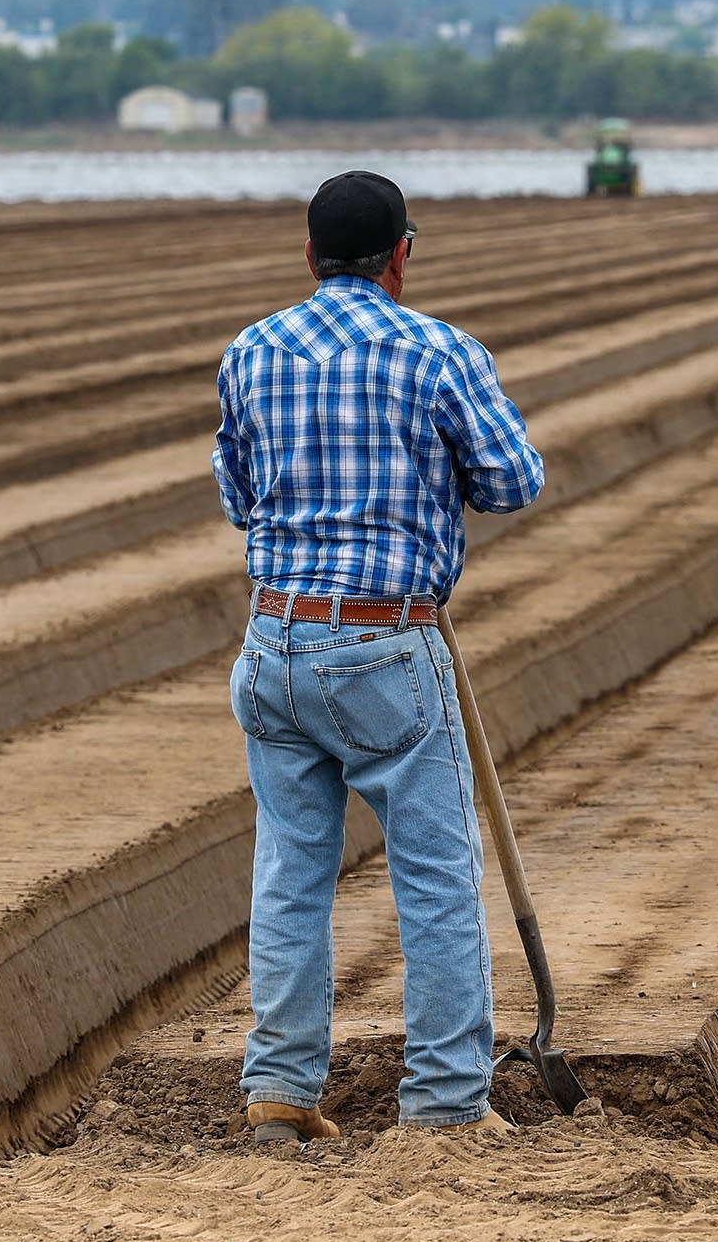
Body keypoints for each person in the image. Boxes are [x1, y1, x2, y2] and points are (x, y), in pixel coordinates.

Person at [214, 171, 545, 1145]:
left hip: (272, 639)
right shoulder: (438, 350)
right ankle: (444, 1104)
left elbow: (240, 491)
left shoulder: (252, 349)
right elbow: (511, 480)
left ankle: (277, 1094)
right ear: (401, 252)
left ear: (309, 255)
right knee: (436, 873)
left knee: (288, 871)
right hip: (384, 642)